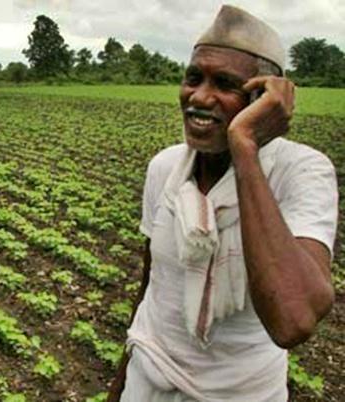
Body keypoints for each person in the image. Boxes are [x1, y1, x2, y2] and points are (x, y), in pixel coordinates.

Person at [107, 5, 338, 402]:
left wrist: (245, 147)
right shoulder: (165, 168)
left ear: (265, 97)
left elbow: (293, 320)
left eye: (225, 84)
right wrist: (121, 383)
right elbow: (153, 288)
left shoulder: (301, 172)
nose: (199, 96)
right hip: (147, 383)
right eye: (193, 77)